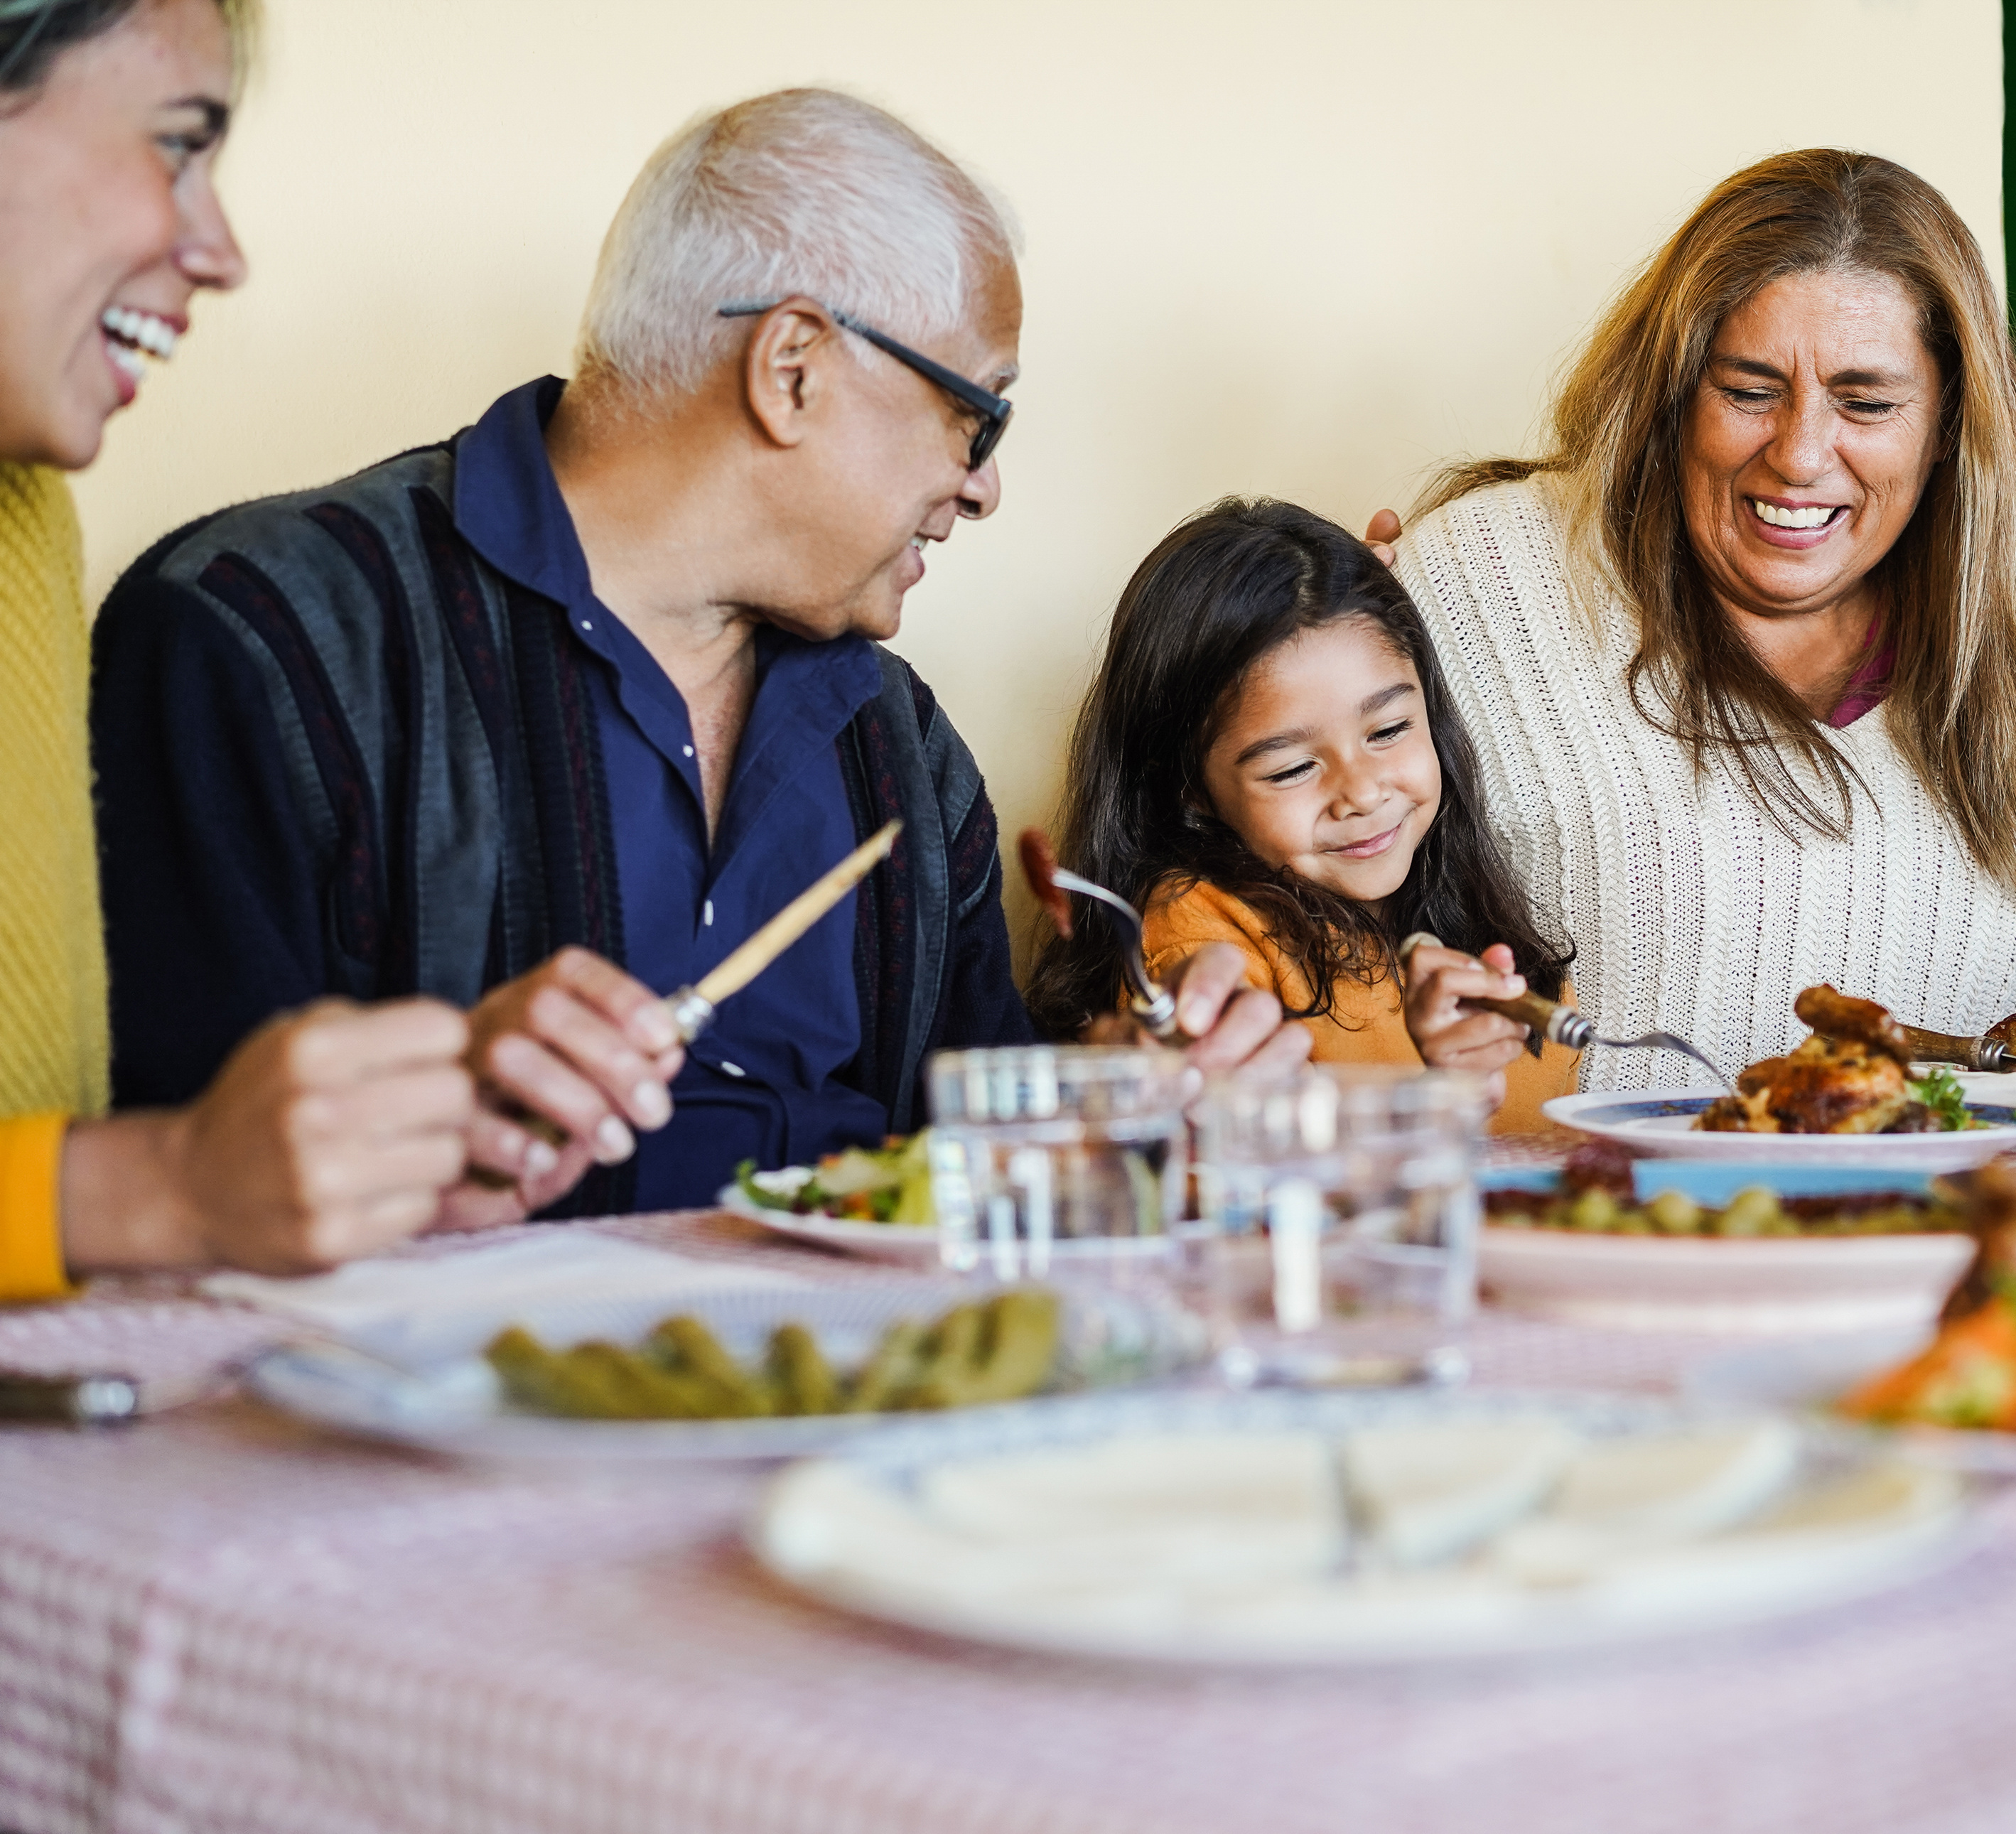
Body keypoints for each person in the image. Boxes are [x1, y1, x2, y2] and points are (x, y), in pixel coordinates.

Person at [90, 87, 1303, 1222]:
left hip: (871, 1416)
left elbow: (964, 1157)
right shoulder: (260, 639)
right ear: (792, 369)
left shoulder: (899, 746)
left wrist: (1123, 1091)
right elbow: (184, 1185)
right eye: (977, 415)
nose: (982, 487)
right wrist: (428, 1121)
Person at [1391, 148, 2016, 1092]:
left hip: (1951, 1228)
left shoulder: (2004, 631)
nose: (1800, 454)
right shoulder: (1489, 572)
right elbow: (1305, 883)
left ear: (1949, 426)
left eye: (1866, 404)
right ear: (1669, 393)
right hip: (1590, 1228)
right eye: (1748, 389)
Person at [0, 0, 495, 1301]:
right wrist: (157, 1184)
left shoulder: (26, 517)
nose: (220, 251)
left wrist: (370, 1159)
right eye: (176, 145)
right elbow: (99, 1187)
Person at [1025, 499, 1578, 1132]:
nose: (1363, 794)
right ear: (1191, 790)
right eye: (1292, 769)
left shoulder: (1487, 936)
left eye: (1390, 729)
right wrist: (1441, 1095)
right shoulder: (1201, 942)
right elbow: (1250, 1184)